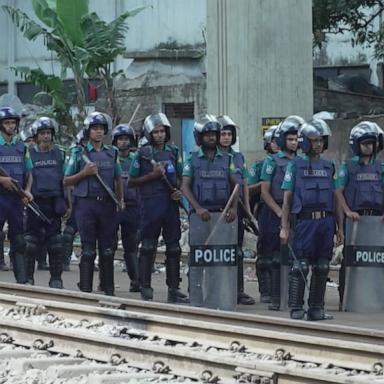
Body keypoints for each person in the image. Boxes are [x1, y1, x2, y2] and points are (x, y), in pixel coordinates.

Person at [280, 119, 343, 320]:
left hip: (326, 223)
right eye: (314, 141)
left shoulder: (329, 166)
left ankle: (317, 309)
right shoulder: (294, 167)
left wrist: (340, 228)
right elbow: (287, 199)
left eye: (321, 141)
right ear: (305, 142)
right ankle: (296, 308)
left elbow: (335, 198)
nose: (318, 145)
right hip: (305, 222)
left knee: (323, 267)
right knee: (301, 266)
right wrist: (285, 227)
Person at [129, 112, 187, 303]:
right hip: (150, 204)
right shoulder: (142, 154)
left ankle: (173, 288)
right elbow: (132, 181)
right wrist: (152, 176)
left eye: (162, 131)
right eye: (156, 132)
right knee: (148, 247)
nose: (160, 135)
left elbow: (180, 176)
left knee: (173, 248)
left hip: (170, 204)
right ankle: (145, 285)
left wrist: (178, 190)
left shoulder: (174, 152)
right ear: (149, 134)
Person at [64, 112, 123, 296]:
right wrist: (84, 173)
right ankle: (86, 290)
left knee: (107, 250)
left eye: (101, 129)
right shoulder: (79, 154)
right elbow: (66, 180)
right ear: (88, 132)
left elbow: (118, 177)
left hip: (107, 205)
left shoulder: (112, 152)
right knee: (88, 251)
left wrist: (120, 200)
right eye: (95, 129)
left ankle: (108, 288)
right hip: (86, 206)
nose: (98, 132)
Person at [335, 121, 384, 309]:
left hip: (376, 222)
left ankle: (376, 297)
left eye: (371, 144)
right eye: (365, 144)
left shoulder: (381, 167)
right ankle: (344, 299)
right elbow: (338, 191)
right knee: (350, 260)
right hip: (356, 220)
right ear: (356, 145)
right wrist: (347, 211)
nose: (368, 147)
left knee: (376, 260)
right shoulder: (348, 167)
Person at [260, 116, 303, 310]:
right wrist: (279, 212)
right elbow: (264, 192)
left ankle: (294, 299)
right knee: (276, 256)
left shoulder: (302, 162)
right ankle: (275, 298)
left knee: (296, 257)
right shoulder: (272, 162)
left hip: (297, 213)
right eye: (290, 139)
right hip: (274, 211)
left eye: (296, 139)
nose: (293, 143)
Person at [25, 117, 69, 288]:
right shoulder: (29, 153)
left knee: (56, 243)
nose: (46, 136)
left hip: (54, 203)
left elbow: (65, 179)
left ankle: (56, 279)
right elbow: (25, 176)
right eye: (42, 133)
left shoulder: (60, 154)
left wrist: (67, 202)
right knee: (30, 243)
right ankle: (28, 278)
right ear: (36, 136)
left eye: (48, 133)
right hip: (34, 203)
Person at [217, 115, 255, 305]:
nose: (226, 137)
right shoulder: (212, 156)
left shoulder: (238, 157)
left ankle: (238, 290)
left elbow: (244, 184)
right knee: (214, 250)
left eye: (229, 134)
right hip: (217, 210)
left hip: (236, 210)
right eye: (222, 134)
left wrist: (248, 210)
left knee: (237, 251)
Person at [0, 107, 33, 283]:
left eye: (13, 123)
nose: (11, 126)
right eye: (7, 123)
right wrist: (1, 180)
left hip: (16, 200)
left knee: (19, 241)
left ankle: (22, 281)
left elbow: (29, 173)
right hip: (0, 198)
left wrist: (27, 190)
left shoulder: (21, 147)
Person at [248, 125, 279, 302]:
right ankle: (266, 291)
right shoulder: (260, 166)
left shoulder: (296, 163)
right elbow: (248, 189)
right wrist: (263, 185)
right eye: (273, 141)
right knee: (266, 256)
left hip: (291, 212)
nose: (276, 144)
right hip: (267, 212)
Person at [111, 124, 140, 292]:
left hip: (133, 206)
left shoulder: (136, 160)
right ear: (115, 141)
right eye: (120, 139)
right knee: (110, 244)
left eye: (126, 139)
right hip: (112, 207)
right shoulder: (110, 158)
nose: (123, 142)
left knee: (131, 246)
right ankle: (105, 281)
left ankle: (135, 280)